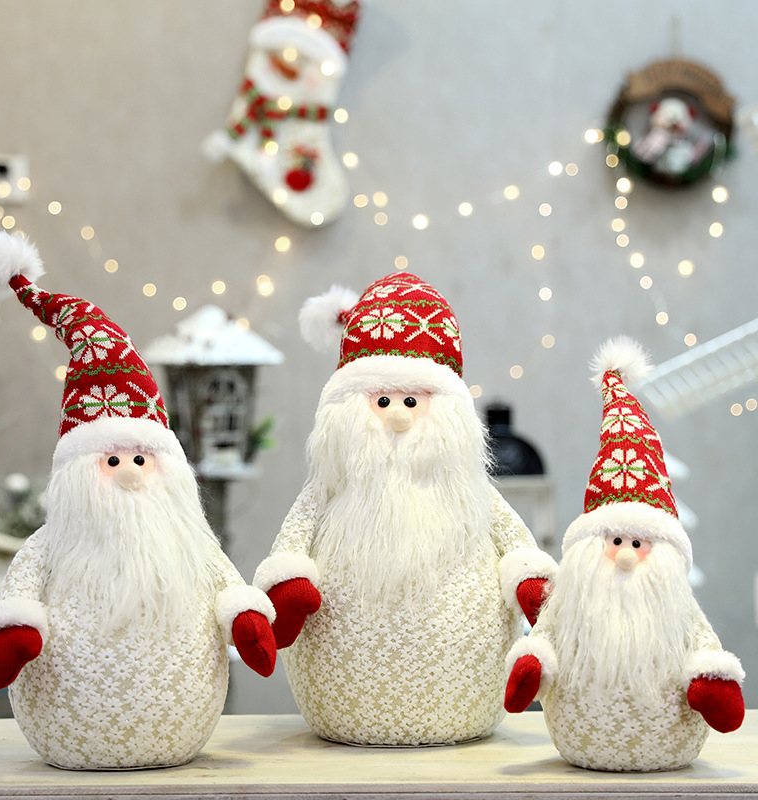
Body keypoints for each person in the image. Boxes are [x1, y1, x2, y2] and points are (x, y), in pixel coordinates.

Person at [0, 231, 276, 770]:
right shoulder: (54, 545)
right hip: (66, 737)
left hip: (181, 733)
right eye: (112, 461)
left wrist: (243, 616)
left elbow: (224, 581)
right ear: (75, 473)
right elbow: (23, 587)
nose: (131, 473)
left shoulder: (187, 543)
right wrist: (15, 629)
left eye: (141, 458)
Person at [254, 272, 557, 745]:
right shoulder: (333, 484)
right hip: (341, 702)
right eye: (382, 400)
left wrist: (530, 581)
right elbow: (296, 534)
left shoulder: (467, 488)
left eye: (412, 400)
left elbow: (512, 535)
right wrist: (288, 584)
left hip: (465, 699)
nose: (397, 414)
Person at [504, 336, 745, 772]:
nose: (627, 556)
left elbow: (701, 641)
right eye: (616, 542)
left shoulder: (675, 606)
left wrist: (710, 680)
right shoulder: (572, 601)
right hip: (579, 742)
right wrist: (534, 664)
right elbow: (546, 636)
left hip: (671, 745)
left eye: (637, 544)